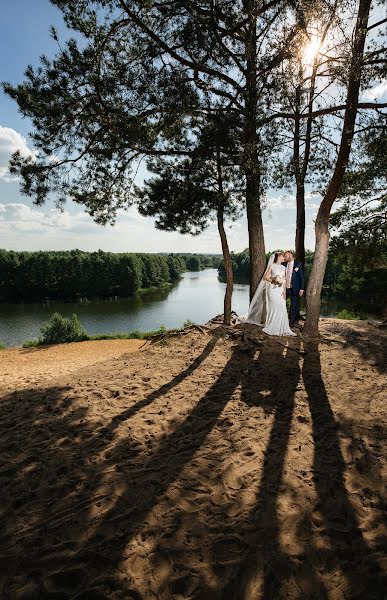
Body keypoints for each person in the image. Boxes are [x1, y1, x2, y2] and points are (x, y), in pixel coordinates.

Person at [243, 252, 296, 336]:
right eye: (283, 256)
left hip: (280, 290)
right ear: (279, 257)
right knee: (273, 307)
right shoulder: (272, 266)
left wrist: (284, 292)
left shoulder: (283, 267)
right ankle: (272, 325)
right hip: (272, 290)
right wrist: (274, 280)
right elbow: (265, 277)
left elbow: (285, 280)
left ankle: (283, 327)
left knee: (282, 307)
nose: (284, 258)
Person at [283, 250, 305, 326]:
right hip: (284, 288)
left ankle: (291, 322)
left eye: (285, 256)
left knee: (294, 305)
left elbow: (302, 277)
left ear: (290, 255)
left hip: (295, 288)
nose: (284, 257)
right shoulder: (283, 264)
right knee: (282, 304)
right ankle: (282, 319)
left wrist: (302, 289)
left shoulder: (298, 264)